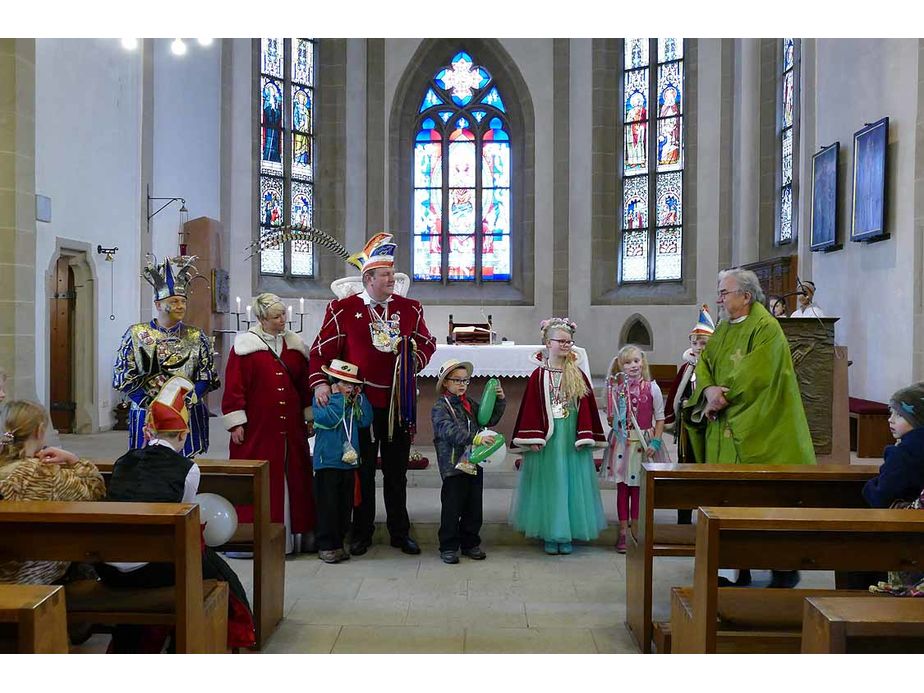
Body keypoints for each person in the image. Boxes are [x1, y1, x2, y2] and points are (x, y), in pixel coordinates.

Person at [98, 376, 256, 653]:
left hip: (108, 568)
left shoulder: (124, 461)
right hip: (152, 567)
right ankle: (230, 635)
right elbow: (183, 518)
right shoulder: (188, 468)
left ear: (148, 431)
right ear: (183, 435)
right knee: (221, 574)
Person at [684, 268, 815, 588]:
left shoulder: (767, 328)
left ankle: (782, 569)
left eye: (724, 292)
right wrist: (707, 390)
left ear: (746, 295)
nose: (719, 298)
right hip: (725, 433)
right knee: (726, 504)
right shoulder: (725, 330)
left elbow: (758, 374)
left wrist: (719, 396)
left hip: (762, 430)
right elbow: (705, 363)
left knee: (766, 503)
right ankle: (734, 570)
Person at [309, 233, 437, 556]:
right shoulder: (343, 309)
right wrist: (322, 383)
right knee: (362, 472)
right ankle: (361, 532)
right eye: (385, 275)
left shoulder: (410, 309)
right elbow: (319, 351)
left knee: (397, 473)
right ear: (368, 278)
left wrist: (412, 363)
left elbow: (427, 343)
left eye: (393, 275)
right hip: (358, 407)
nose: (392, 280)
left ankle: (399, 532)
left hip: (397, 404)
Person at [222, 293, 316, 555]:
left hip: (291, 428)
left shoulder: (295, 347)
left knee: (293, 477)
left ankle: (294, 537)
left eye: (284, 314)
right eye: (276, 316)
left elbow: (303, 386)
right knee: (260, 478)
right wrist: (236, 422)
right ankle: (250, 538)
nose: (282, 320)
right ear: (262, 318)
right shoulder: (244, 348)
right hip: (257, 429)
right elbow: (234, 388)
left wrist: (309, 417)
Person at [510, 318, 607, 555]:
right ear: (547, 343)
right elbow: (531, 408)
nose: (566, 345)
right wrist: (532, 438)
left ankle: (567, 533)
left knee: (571, 483)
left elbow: (586, 407)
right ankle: (551, 533)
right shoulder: (538, 375)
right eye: (560, 341)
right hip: (548, 439)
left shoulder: (577, 374)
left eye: (569, 341)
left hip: (570, 435)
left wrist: (585, 435)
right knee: (551, 483)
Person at [113, 255, 218, 457]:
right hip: (147, 411)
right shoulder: (136, 335)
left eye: (183, 301)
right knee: (147, 463)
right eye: (174, 301)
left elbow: (206, 375)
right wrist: (150, 402)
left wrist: (184, 400)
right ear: (158, 304)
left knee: (184, 466)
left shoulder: (196, 336)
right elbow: (123, 374)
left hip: (184, 410)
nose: (180, 306)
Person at [0, 400, 106, 584]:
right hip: (29, 578)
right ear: (39, 431)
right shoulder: (42, 472)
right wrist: (73, 460)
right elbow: (94, 492)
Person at [432, 359, 506, 565]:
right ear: (445, 383)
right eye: (457, 380)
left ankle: (470, 543)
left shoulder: (469, 403)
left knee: (474, 506)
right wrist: (474, 438)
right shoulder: (441, 407)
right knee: (452, 507)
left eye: (466, 380)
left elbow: (488, 420)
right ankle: (448, 546)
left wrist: (498, 401)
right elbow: (447, 430)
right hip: (453, 465)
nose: (462, 384)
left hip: (474, 462)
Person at [602, 345, 669, 553]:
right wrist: (612, 412)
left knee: (638, 489)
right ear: (621, 366)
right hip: (622, 442)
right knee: (623, 488)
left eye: (636, 361)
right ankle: (623, 530)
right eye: (628, 363)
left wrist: (656, 442)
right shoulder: (617, 390)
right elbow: (612, 418)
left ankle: (636, 530)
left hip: (643, 443)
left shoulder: (652, 388)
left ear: (643, 363)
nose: (633, 366)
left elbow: (660, 418)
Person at [311, 359, 373, 564]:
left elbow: (365, 421)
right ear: (333, 382)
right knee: (328, 506)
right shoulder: (322, 399)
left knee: (344, 507)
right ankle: (327, 545)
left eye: (352, 384)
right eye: (345, 384)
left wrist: (360, 399)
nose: (350, 388)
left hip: (348, 463)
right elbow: (329, 420)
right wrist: (337, 397)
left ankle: (339, 543)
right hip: (327, 462)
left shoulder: (352, 402)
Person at [862, 382, 924, 508]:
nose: (891, 419)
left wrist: (869, 486)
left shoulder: (903, 454)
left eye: (900, 415)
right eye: (891, 413)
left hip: (905, 522)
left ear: (918, 420)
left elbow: (881, 498)